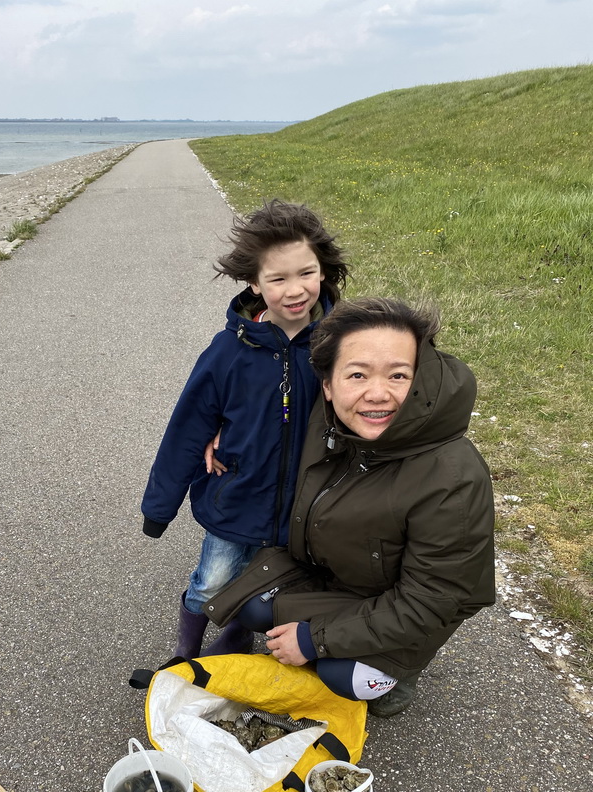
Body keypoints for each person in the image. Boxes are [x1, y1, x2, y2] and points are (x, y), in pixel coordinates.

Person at [203, 297, 495, 717]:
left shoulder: (452, 478)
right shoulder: (328, 419)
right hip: (341, 578)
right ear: (328, 385)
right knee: (251, 607)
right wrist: (221, 432)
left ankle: (400, 674)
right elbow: (267, 408)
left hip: (410, 606)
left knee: (344, 678)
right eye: (357, 374)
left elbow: (430, 602)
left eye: (398, 375)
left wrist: (313, 640)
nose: (378, 394)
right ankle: (339, 643)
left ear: (421, 381)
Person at [141, 199, 349, 660]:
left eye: (306, 273)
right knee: (212, 583)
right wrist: (160, 507)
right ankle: (184, 654)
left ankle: (260, 640)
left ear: (323, 271)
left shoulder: (344, 343)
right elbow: (188, 426)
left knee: (284, 587)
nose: (295, 290)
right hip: (236, 497)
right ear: (254, 283)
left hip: (309, 505)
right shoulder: (227, 352)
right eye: (277, 279)